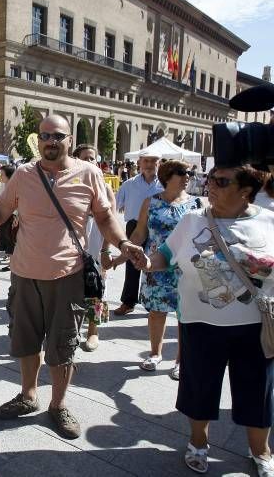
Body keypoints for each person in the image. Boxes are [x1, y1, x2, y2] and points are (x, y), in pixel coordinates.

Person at [0, 114, 145, 439]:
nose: (50, 141)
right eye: (44, 136)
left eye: (57, 136)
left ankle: (58, 404)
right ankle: (28, 396)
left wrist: (123, 243)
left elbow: (105, 217)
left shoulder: (89, 173)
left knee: (63, 345)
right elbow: (0, 213)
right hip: (25, 275)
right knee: (25, 341)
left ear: (69, 139)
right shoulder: (24, 174)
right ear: (38, 140)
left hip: (68, 276)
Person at [141, 165, 274, 476]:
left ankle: (261, 451)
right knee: (199, 386)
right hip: (200, 324)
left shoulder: (269, 221)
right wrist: (147, 262)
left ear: (246, 191)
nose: (210, 185)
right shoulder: (192, 220)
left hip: (255, 325)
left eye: (222, 181)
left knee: (258, 390)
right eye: (210, 178)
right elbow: (165, 254)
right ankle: (198, 442)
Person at [112, 160, 200, 379]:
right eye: (182, 172)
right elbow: (140, 234)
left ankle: (181, 360)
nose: (187, 176)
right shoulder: (150, 202)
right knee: (156, 312)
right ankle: (155, 353)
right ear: (167, 176)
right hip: (155, 265)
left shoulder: (196, 204)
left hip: (185, 268)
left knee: (185, 315)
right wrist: (121, 256)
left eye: (189, 172)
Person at [72, 144, 117, 351]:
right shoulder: (70, 184)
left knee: (97, 289)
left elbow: (112, 222)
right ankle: (71, 329)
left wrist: (106, 250)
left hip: (96, 246)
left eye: (94, 158)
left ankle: (93, 331)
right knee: (71, 289)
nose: (91, 162)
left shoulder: (105, 188)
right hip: (73, 247)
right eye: (86, 158)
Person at [114, 151, 163, 315]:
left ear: (159, 163)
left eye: (153, 161)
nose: (149, 164)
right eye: (146, 161)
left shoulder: (164, 185)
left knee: (157, 263)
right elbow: (116, 205)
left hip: (157, 226)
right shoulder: (129, 184)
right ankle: (128, 302)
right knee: (132, 263)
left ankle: (155, 302)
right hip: (134, 226)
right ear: (140, 163)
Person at [0, 165, 17, 272]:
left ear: (9, 176)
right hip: (5, 216)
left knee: (11, 240)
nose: (0, 176)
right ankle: (9, 261)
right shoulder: (4, 185)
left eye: (2, 174)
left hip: (13, 217)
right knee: (7, 239)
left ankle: (11, 263)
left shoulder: (15, 186)